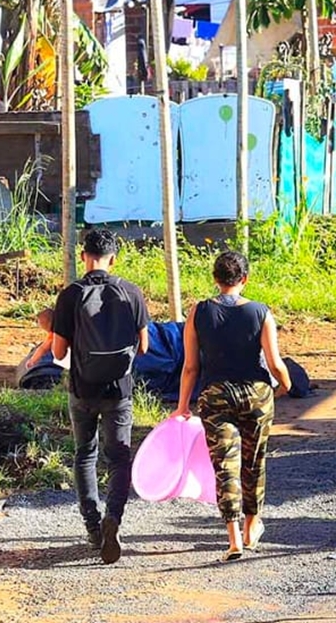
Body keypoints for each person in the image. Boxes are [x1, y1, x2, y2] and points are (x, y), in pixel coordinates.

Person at [170, 250, 291, 562]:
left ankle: (234, 539)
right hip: (256, 395)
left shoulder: (198, 312)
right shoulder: (261, 313)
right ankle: (252, 527)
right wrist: (286, 385)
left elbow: (190, 367)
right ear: (244, 279)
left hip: (216, 396)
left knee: (225, 467)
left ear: (215, 278)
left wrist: (183, 405)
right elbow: (275, 363)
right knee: (254, 462)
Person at [51, 229, 149, 564]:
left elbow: (58, 351)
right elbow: (145, 345)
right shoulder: (131, 292)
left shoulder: (70, 295)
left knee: (85, 454)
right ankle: (114, 518)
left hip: (82, 389)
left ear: (83, 257)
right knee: (119, 458)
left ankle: (93, 528)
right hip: (119, 390)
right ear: (113, 259)